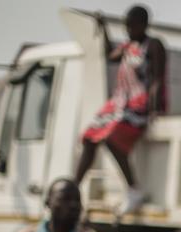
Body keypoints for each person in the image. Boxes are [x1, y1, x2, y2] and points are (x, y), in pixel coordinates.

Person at [74, 5, 167, 215]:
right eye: (126, 26)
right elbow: (110, 55)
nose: (128, 30)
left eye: (132, 25)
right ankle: (75, 187)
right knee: (90, 136)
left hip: (139, 104)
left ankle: (133, 188)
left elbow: (157, 79)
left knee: (110, 137)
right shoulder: (128, 46)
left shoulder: (153, 45)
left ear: (143, 24)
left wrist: (154, 109)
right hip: (119, 103)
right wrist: (103, 27)